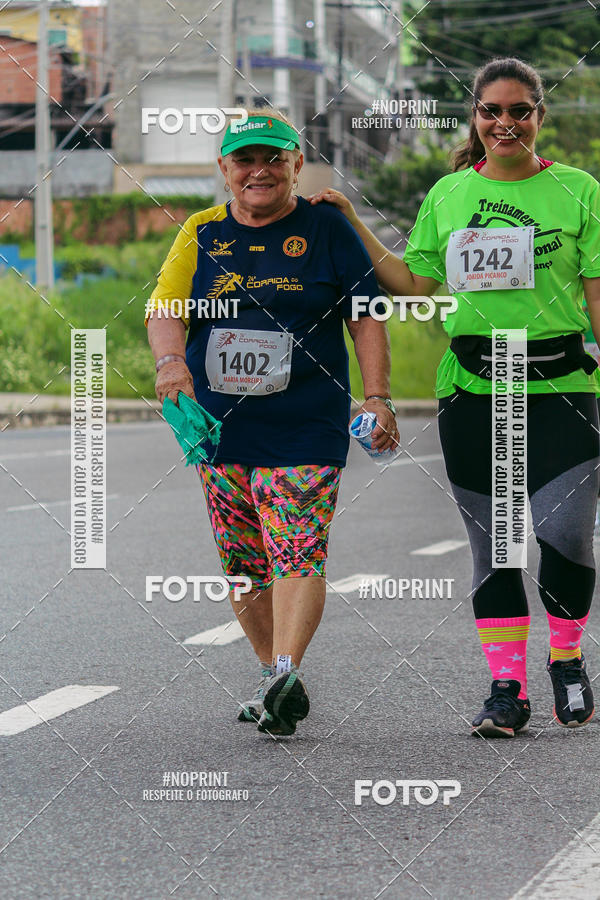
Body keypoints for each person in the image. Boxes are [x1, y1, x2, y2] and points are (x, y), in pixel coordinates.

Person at [309, 57, 600, 737]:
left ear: (539, 115)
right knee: (495, 545)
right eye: (491, 111)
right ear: (475, 117)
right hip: (474, 389)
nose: (505, 123)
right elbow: (415, 285)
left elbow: (596, 300)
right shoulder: (448, 195)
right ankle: (506, 689)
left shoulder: (579, 189)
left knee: (563, 535)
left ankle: (565, 659)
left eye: (519, 110)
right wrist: (351, 219)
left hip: (561, 385)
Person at [145, 109, 397, 736]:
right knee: (243, 561)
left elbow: (366, 316)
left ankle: (287, 667)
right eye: (245, 160)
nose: (259, 171)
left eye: (273, 159)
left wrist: (377, 396)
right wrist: (172, 364)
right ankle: (271, 677)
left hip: (307, 420)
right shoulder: (200, 234)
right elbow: (166, 308)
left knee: (298, 548)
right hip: (217, 425)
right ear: (225, 169)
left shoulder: (327, 228)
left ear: (295, 165)